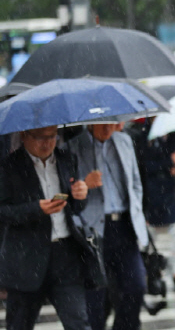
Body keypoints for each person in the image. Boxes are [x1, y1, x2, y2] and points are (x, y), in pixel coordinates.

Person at [0, 126, 90, 330]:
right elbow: (2, 212)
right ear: (24, 135)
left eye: (52, 137)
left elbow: (76, 207)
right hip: (26, 258)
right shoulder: (9, 166)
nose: (47, 143)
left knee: (78, 322)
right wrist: (35, 209)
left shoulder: (67, 158)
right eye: (40, 137)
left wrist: (81, 194)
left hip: (65, 254)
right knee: (19, 325)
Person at [65, 124, 149, 330]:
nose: (108, 128)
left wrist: (136, 211)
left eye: (113, 123)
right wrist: (85, 183)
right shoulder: (72, 147)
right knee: (95, 295)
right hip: (92, 229)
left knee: (136, 286)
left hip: (124, 225)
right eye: (103, 123)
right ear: (90, 122)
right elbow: (66, 191)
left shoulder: (124, 141)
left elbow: (136, 183)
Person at [128, 121, 175, 292]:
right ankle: (151, 274)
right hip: (151, 194)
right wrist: (168, 162)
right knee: (148, 240)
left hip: (173, 193)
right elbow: (143, 164)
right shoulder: (143, 135)